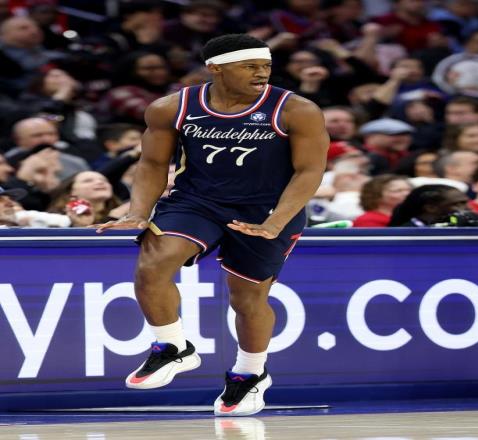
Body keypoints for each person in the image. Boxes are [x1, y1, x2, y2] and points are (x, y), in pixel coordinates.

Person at [95, 34, 329, 416]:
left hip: (267, 207)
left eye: (266, 66)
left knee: (247, 298)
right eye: (250, 66)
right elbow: (153, 164)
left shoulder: (296, 109)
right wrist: (138, 211)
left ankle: (250, 373)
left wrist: (275, 222)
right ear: (216, 68)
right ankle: (172, 346)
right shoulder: (172, 108)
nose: (262, 73)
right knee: (153, 264)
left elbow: (310, 171)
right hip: (196, 202)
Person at [388, 184, 469, 226]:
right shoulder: (404, 235)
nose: (467, 208)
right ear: (431, 208)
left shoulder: (462, 227)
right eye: (457, 204)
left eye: (465, 203)